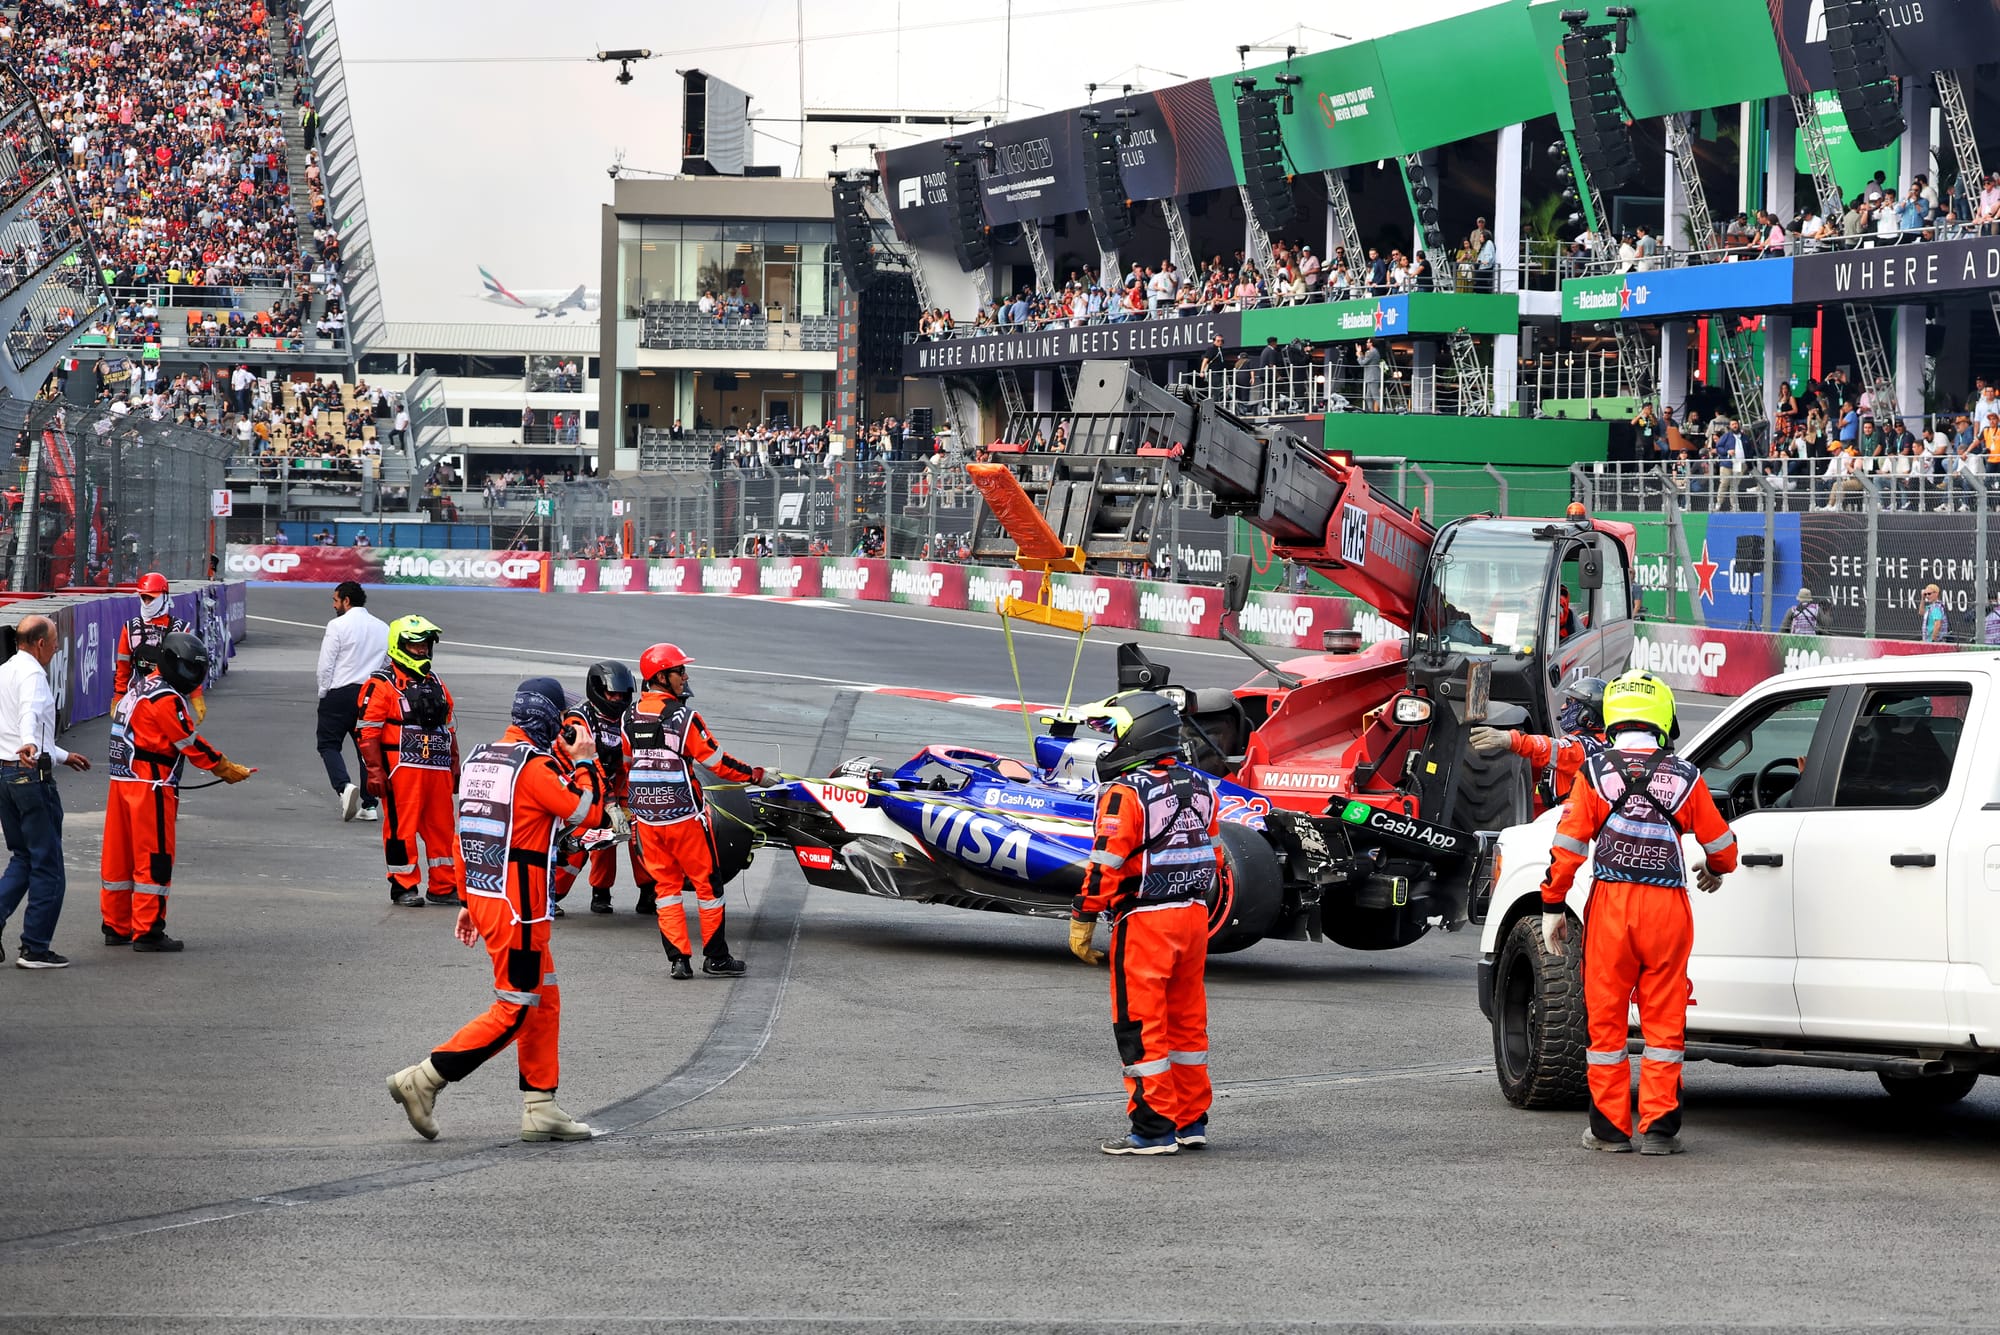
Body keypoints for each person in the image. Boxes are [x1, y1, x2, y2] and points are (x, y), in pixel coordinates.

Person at [385, 678, 603, 1143]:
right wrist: (584, 762)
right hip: (519, 910)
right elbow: (589, 813)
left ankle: (540, 1105)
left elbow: (467, 831)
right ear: (548, 719)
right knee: (517, 1008)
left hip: (491, 899)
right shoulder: (534, 768)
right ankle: (424, 1078)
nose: (569, 725)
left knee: (544, 998)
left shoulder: (484, 757)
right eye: (563, 718)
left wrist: (467, 900)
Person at [1539, 671, 1737, 1155]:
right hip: (1667, 907)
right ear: (1664, 718)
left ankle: (1609, 1131)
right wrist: (1713, 869)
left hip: (1611, 907)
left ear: (1613, 717)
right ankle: (1659, 1131)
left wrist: (1552, 904)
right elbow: (1725, 850)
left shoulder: (1592, 773)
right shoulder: (1687, 777)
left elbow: (1567, 846)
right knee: (1664, 1022)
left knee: (1605, 1021)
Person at [1069, 691, 1223, 1156]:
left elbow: (1105, 863)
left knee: (1141, 1026)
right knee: (1186, 1025)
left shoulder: (1125, 792)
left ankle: (1151, 1130)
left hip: (1146, 923)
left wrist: (1083, 917)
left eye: (1113, 732)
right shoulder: (1202, 786)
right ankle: (1190, 1120)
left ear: (1137, 734)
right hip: (1195, 916)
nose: (1109, 743)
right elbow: (1214, 854)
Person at [100, 632, 253, 953]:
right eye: (188, 669)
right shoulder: (165, 699)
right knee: (154, 858)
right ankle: (148, 930)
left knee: (118, 857)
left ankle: (116, 924)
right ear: (172, 663)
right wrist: (227, 769)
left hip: (121, 782)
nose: (190, 677)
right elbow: (190, 744)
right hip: (150, 787)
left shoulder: (137, 689)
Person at [623, 643, 764, 979]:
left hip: (646, 820)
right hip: (684, 818)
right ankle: (716, 957)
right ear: (662, 676)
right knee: (708, 886)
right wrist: (756, 775)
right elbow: (717, 763)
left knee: (666, 889)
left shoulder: (628, 717)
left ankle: (678, 960)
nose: (685, 677)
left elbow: (627, 764)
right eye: (680, 671)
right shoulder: (683, 718)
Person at [0, 616, 90, 968]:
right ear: (39, 644)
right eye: (53, 644)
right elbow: (29, 716)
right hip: (30, 776)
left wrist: (64, 755)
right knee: (48, 864)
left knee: (24, 856)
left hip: (5, 772)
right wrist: (28, 745)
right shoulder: (35, 676)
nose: (55, 649)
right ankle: (35, 947)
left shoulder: (5, 670)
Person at [358, 615, 459, 908]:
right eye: (415, 646)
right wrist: (374, 771)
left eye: (426, 645)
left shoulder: (437, 682)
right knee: (402, 829)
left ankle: (443, 885)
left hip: (436, 770)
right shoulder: (381, 684)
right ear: (399, 645)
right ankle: (403, 886)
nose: (422, 651)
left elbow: (449, 727)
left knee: (443, 830)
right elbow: (367, 732)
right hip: (401, 770)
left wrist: (455, 765)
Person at [551, 660, 658, 917]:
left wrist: (629, 802)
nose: (618, 699)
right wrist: (609, 804)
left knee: (637, 829)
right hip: (575, 784)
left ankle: (648, 891)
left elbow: (629, 764)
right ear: (598, 690)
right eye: (613, 694)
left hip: (613, 784)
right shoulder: (579, 720)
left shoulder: (626, 719)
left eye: (623, 694)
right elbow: (590, 764)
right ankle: (552, 895)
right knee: (581, 838)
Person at [1467, 676, 1607, 807]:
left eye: (1570, 702)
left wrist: (1510, 739)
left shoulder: (1580, 749)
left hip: (1570, 821)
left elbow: (1548, 748)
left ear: (1587, 714)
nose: (1563, 707)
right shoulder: (1606, 741)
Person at [316, 580, 388, 822]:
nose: (334, 605)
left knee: (328, 744)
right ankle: (369, 805)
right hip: (370, 695)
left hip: (339, 692)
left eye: (336, 600)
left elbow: (326, 664)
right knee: (367, 749)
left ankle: (344, 787)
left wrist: (324, 691)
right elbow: (388, 664)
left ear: (346, 601)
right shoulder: (382, 627)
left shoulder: (337, 625)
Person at [113, 572, 194, 704]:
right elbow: (122, 667)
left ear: (164, 597)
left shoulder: (180, 629)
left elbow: (189, 667)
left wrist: (196, 696)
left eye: (151, 598)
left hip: (170, 698)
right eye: (144, 598)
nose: (147, 602)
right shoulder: (130, 628)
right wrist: (118, 696)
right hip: (137, 698)